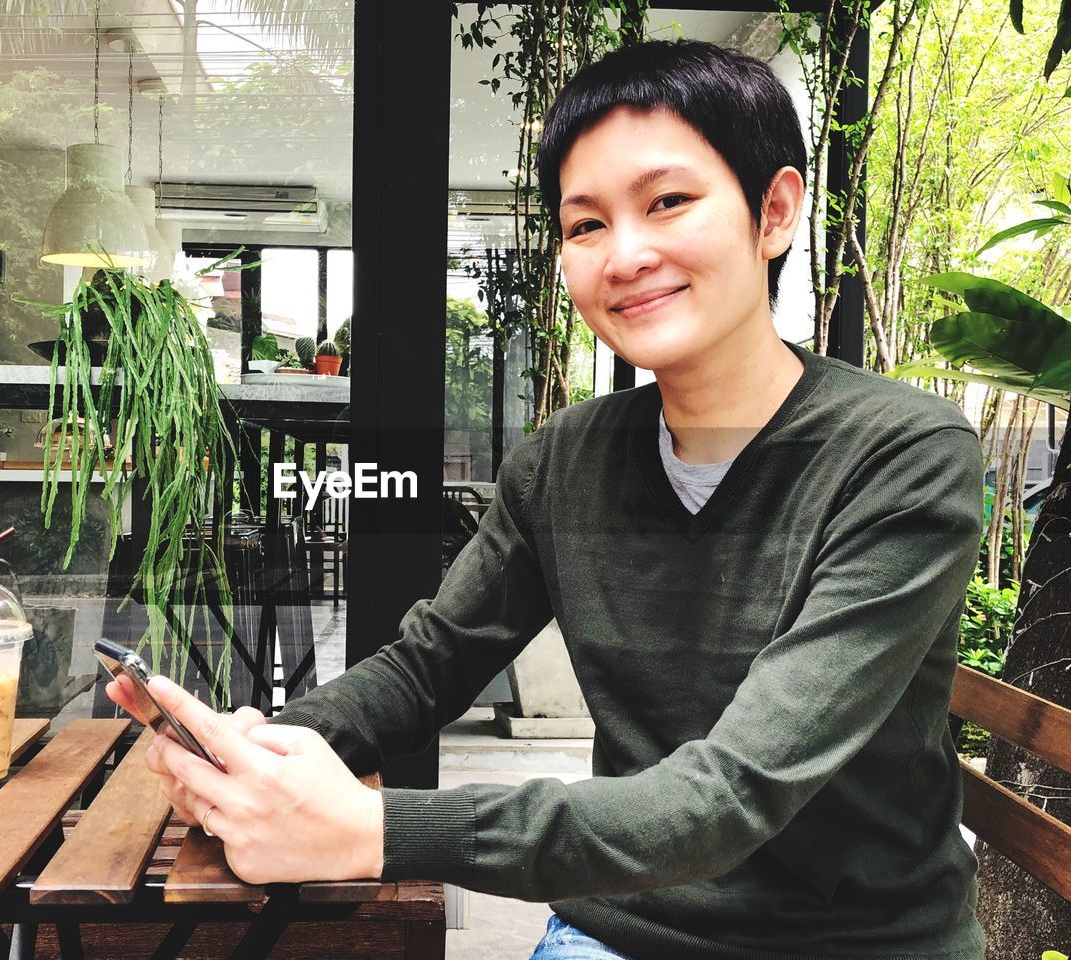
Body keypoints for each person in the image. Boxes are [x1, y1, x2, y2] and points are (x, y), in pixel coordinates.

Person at [109, 39, 985, 959]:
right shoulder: (567, 459)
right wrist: (262, 747)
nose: (627, 254)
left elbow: (729, 798)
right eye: (585, 225)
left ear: (774, 211)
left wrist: (377, 831)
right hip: (622, 927)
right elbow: (425, 668)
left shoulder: (901, 457)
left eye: (669, 202)